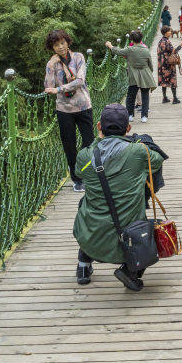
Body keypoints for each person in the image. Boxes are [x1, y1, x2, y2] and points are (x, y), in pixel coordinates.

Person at [73, 103, 165, 291]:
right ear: (128, 128)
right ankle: (130, 271)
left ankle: (83, 264)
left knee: (85, 203)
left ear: (99, 127)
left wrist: (97, 143)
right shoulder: (139, 152)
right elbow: (157, 160)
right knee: (149, 228)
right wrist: (140, 141)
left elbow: (79, 172)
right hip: (131, 238)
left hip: (92, 238)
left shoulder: (85, 156)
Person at [44, 29, 94, 192]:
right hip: (64, 110)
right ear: (52, 48)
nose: (60, 47)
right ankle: (77, 179)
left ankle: (87, 172)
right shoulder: (52, 63)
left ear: (67, 42)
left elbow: (80, 80)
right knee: (69, 145)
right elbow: (48, 86)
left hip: (83, 105)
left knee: (89, 143)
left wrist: (59, 89)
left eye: (63, 43)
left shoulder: (78, 57)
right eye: (56, 45)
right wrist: (51, 66)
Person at [106, 31, 156, 123]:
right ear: (141, 39)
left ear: (132, 39)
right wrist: (150, 72)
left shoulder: (129, 49)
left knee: (130, 96)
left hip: (133, 75)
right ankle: (144, 116)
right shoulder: (146, 49)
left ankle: (130, 115)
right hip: (145, 74)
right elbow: (150, 65)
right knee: (145, 96)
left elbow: (118, 51)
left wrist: (110, 45)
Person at [157, 25, 181, 104]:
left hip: (161, 64)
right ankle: (175, 99)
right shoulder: (167, 41)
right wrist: (181, 44)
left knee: (164, 80)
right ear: (165, 32)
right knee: (172, 80)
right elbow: (174, 51)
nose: (170, 33)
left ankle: (164, 98)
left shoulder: (160, 41)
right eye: (169, 31)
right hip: (168, 64)